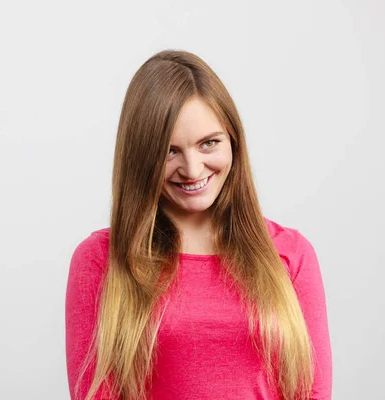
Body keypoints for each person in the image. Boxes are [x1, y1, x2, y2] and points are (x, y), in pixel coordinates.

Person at [64, 49, 332, 400]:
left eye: (209, 143)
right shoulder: (101, 260)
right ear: (142, 157)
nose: (192, 169)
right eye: (169, 151)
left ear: (233, 141)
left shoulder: (291, 254)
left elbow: (311, 390)